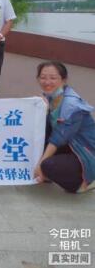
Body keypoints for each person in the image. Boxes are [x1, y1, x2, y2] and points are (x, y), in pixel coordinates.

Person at [34, 61, 95, 194]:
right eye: (43, 77)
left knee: (47, 165)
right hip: (69, 146)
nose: (47, 82)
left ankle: (87, 182)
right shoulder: (48, 98)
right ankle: (47, 173)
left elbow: (58, 138)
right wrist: (43, 111)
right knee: (33, 149)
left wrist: (40, 165)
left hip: (85, 152)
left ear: (63, 80)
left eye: (53, 78)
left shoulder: (72, 105)